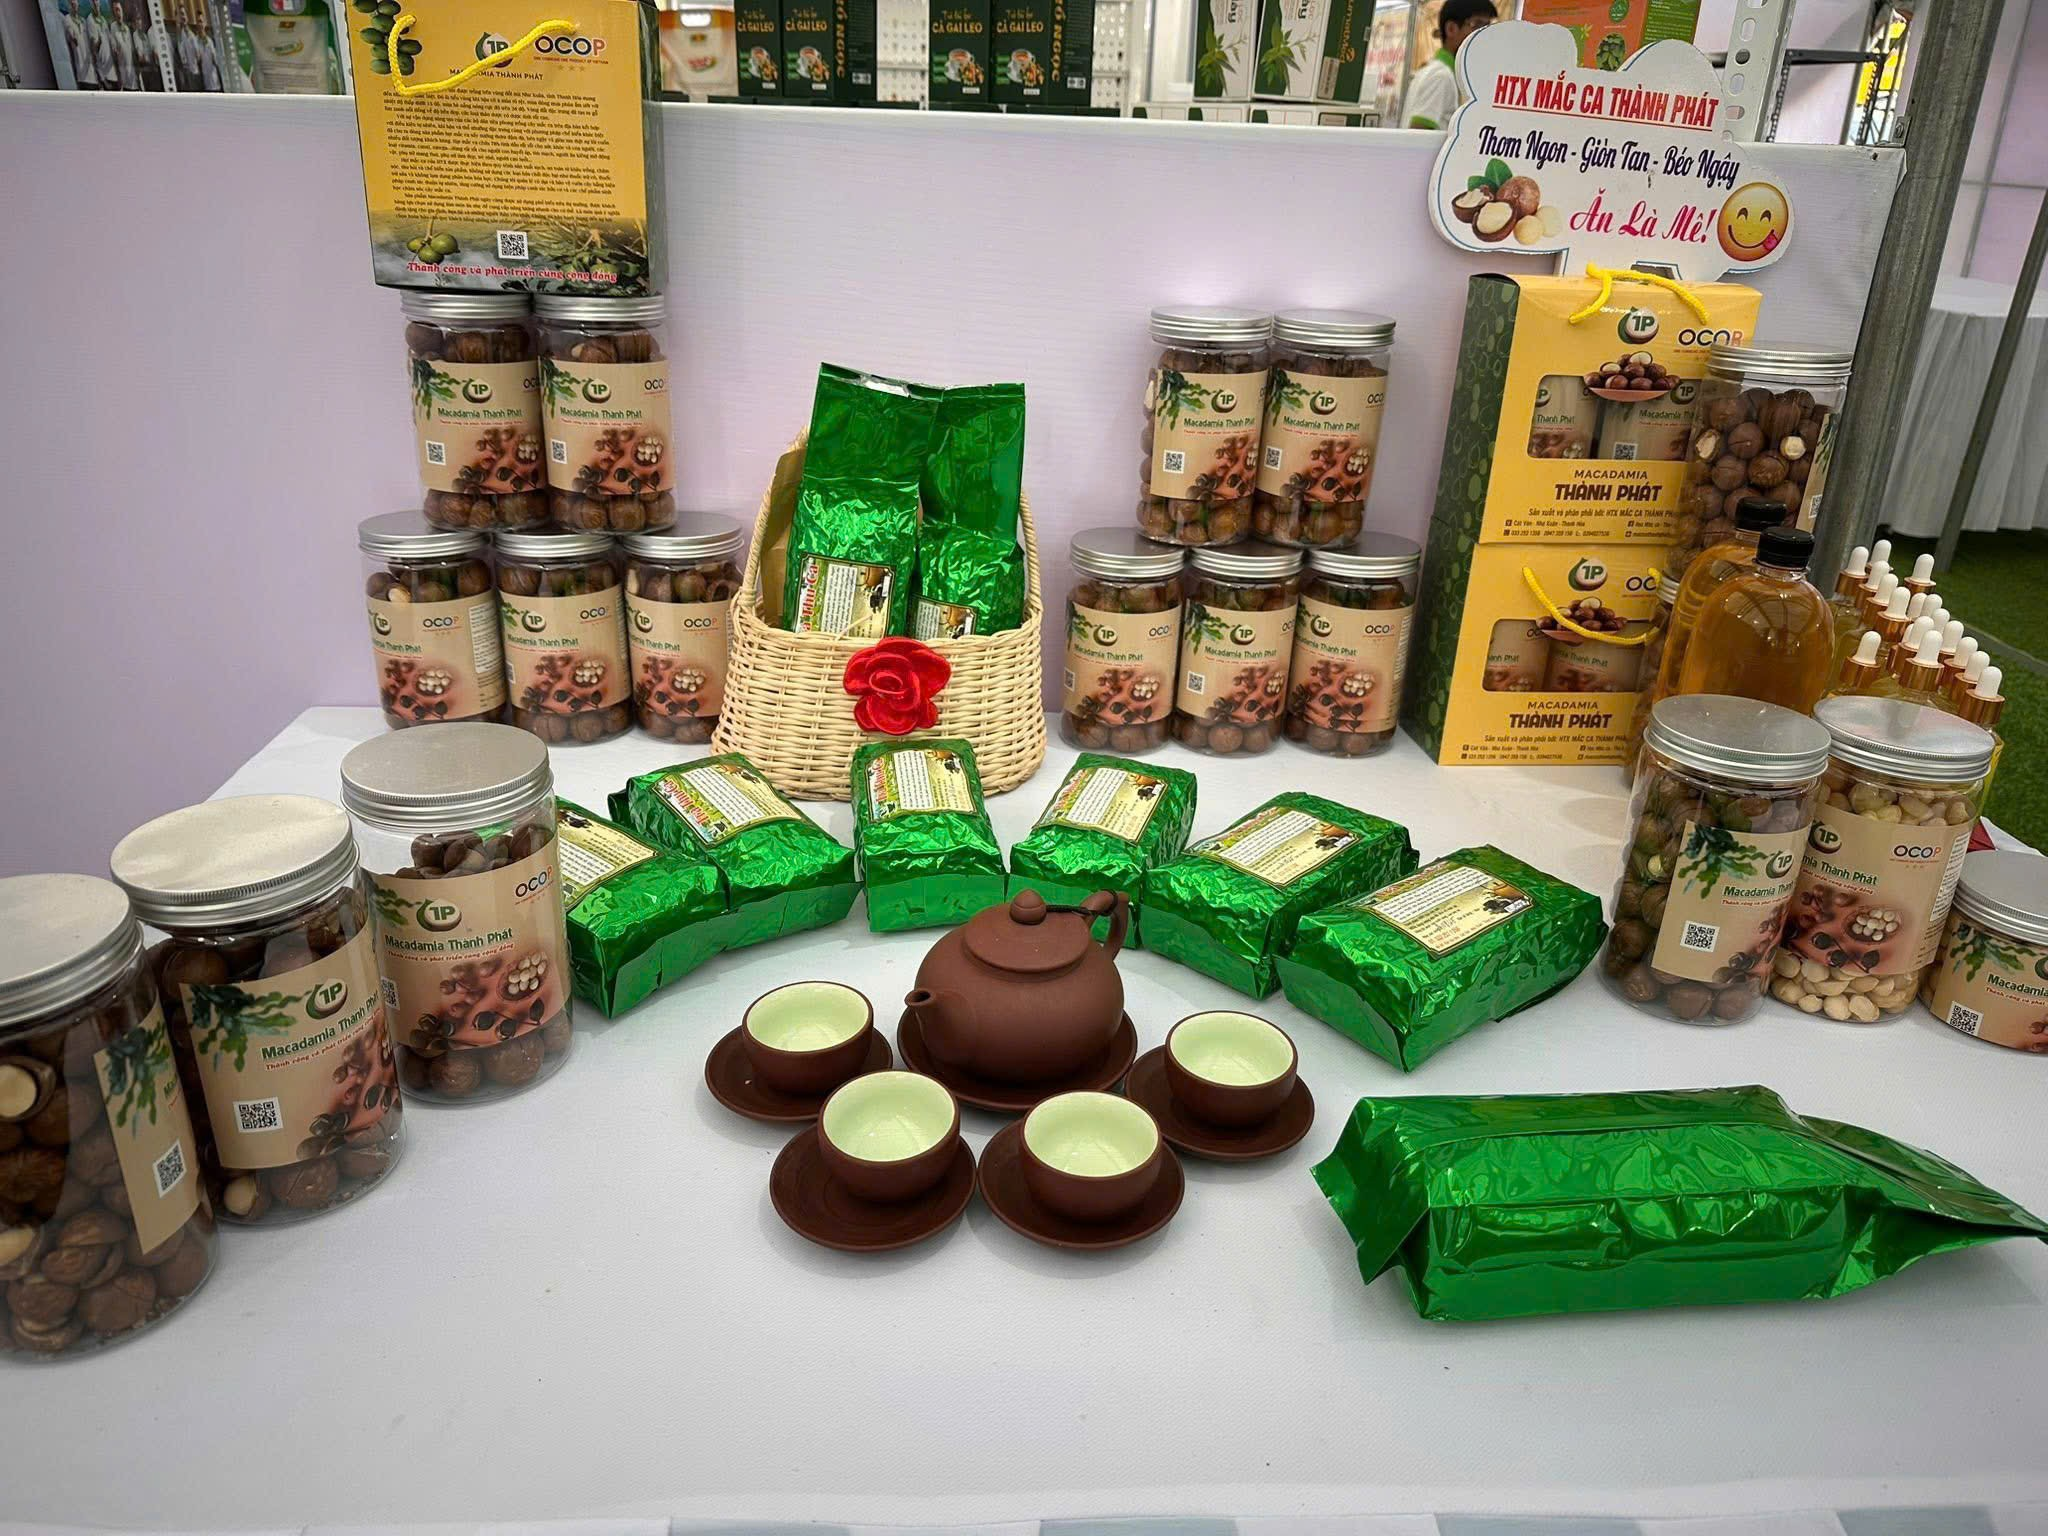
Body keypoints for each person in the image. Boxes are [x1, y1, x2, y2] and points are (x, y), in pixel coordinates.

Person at [1401, 0, 1494, 131]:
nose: (1484, 35)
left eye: (1488, 27)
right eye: (1477, 25)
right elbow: (1418, 133)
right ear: (1451, 29)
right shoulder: (1441, 77)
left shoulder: (1440, 72)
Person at [109, 0, 139, 88]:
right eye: (115, 11)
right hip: (124, 77)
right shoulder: (113, 27)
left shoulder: (127, 28)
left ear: (122, 10)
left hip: (133, 76)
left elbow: (132, 50)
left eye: (118, 9)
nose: (117, 13)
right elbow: (114, 48)